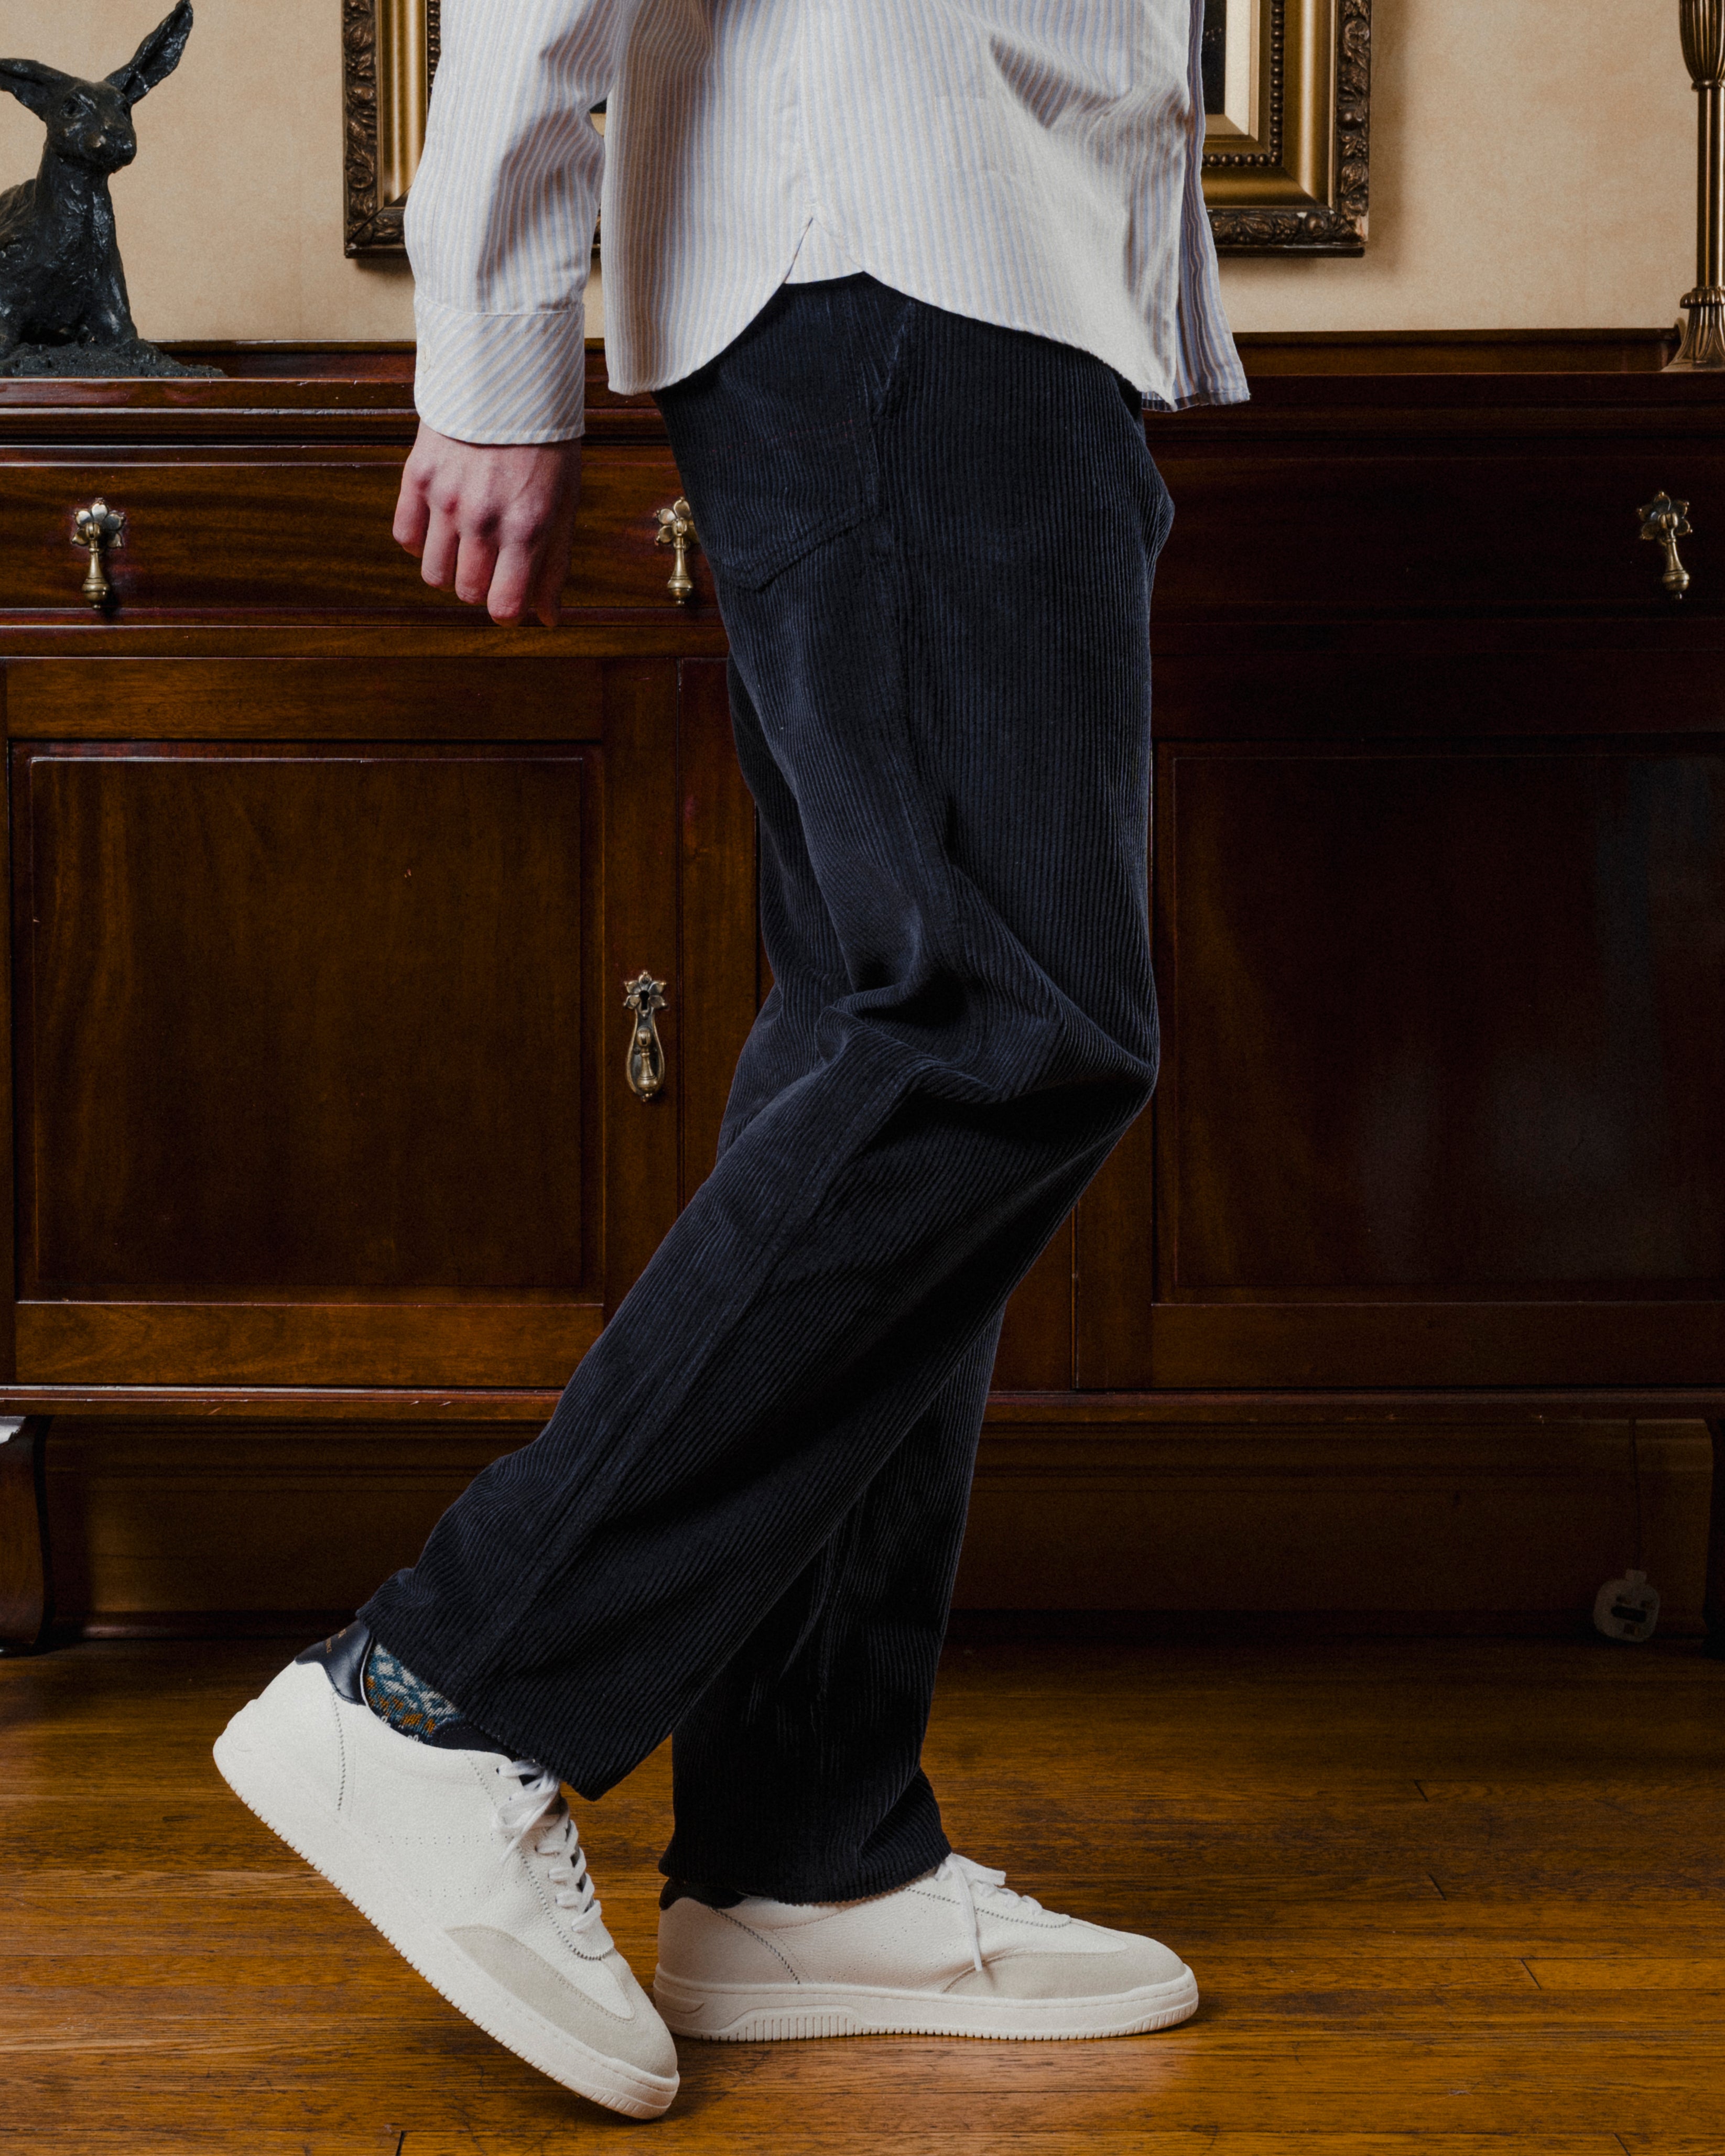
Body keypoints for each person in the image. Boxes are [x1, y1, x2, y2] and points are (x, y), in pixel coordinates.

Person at [214, 0, 1247, 2120]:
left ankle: (805, 1852)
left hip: (971, 277)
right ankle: (439, 1688)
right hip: (885, 258)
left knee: (882, 1027)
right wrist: (490, 338)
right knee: (984, 1025)